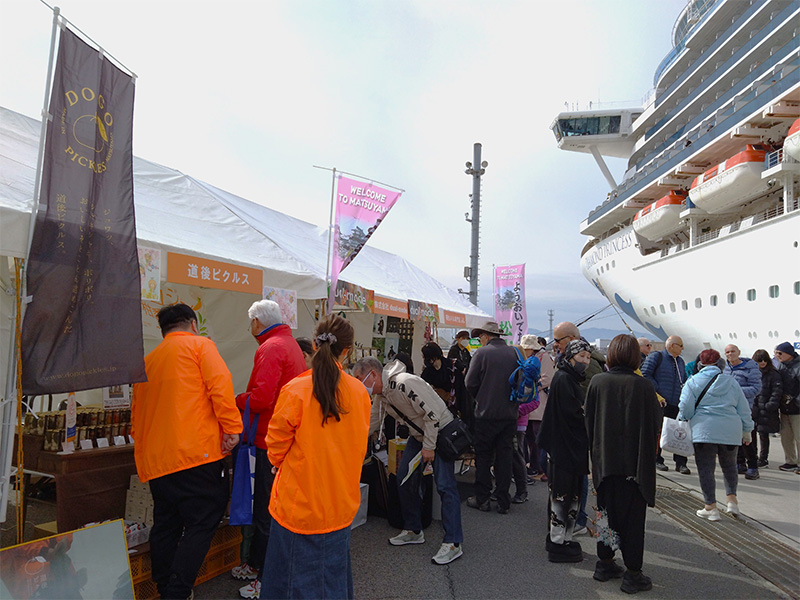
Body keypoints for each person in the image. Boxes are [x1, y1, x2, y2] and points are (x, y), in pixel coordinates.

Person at [131, 303, 241, 600]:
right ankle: (177, 592)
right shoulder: (201, 346)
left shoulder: (149, 361)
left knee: (166, 525)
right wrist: (232, 429)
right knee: (201, 524)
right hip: (197, 455)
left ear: (163, 331)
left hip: (158, 461)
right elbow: (220, 386)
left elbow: (136, 414)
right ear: (194, 324)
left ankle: (164, 587)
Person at [260, 315, 370, 600]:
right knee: (331, 581)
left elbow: (275, 444)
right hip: (340, 503)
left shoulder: (296, 390)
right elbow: (359, 445)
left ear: (313, 344)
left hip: (299, 505)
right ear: (347, 351)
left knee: (288, 583)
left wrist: (278, 464)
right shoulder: (359, 392)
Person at [355, 356, 464, 565]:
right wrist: (351, 440)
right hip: (419, 435)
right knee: (403, 477)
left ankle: (453, 542)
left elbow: (432, 414)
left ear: (373, 374)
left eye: (360, 378)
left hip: (439, 432)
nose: (359, 384)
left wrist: (429, 446)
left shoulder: (404, 382)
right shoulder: (383, 394)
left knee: (445, 486)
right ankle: (414, 529)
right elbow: (372, 421)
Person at [235, 300, 306, 599]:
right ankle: (256, 566)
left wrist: (237, 399)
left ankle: (264, 578)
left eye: (250, 322)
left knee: (266, 510)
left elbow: (262, 398)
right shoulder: (289, 344)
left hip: (269, 438)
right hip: (285, 436)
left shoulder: (271, 347)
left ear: (257, 322)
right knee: (270, 508)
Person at [585, 334, 660, 594]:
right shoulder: (643, 386)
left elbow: (589, 421)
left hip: (604, 463)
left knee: (606, 515)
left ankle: (604, 564)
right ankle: (633, 573)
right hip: (634, 466)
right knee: (633, 521)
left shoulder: (598, 381)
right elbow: (654, 424)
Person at [678, 349, 753, 521]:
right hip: (730, 430)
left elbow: (686, 408)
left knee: (706, 469)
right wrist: (747, 430)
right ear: (720, 364)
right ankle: (732, 501)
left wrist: (684, 419)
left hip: (704, 431)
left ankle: (710, 507)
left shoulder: (693, 381)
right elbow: (743, 409)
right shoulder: (731, 382)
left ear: (700, 364)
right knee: (730, 466)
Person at [537, 340, 591, 563]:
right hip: (565, 450)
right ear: (570, 357)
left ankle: (564, 537)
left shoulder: (567, 378)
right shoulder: (564, 379)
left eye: (588, 357)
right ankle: (558, 541)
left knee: (569, 496)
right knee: (562, 496)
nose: (585, 361)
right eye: (581, 356)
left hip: (568, 449)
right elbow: (572, 415)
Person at [465, 321, 519, 514]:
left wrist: (481, 396)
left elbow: (469, 382)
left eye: (480, 337)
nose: (480, 340)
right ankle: (503, 500)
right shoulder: (514, 353)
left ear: (486, 336)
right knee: (505, 457)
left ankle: (483, 498)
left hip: (486, 414)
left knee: (483, 456)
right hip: (509, 414)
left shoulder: (482, 353)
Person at [641, 335, 690, 474]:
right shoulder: (657, 357)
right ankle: (657, 459)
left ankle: (681, 463)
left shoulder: (680, 361)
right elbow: (645, 375)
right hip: (660, 402)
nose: (682, 348)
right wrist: (658, 390)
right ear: (672, 345)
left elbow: (683, 379)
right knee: (658, 432)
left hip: (676, 403)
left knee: (679, 432)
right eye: (680, 345)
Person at [723, 344, 762, 478]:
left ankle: (753, 466)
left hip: (745, 407)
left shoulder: (750, 368)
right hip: (729, 408)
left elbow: (756, 388)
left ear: (739, 352)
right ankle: (740, 463)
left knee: (747, 437)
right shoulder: (725, 369)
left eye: (733, 351)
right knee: (735, 437)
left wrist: (736, 391)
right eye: (727, 352)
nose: (730, 354)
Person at [524, 335, 555, 482]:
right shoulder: (533, 357)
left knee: (537, 437)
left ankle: (540, 466)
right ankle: (534, 465)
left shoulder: (544, 357)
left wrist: (530, 387)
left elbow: (547, 379)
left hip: (539, 402)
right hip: (530, 404)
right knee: (530, 437)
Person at [420, 341, 470, 425]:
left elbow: (462, 389)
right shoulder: (427, 371)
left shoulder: (454, 365)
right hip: (439, 409)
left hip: (458, 407)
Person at [751, 349, 782, 468]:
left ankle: (763, 458)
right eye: (760, 360)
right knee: (751, 433)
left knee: (763, 434)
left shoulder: (773, 374)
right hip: (754, 407)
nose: (763, 362)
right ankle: (753, 456)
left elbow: (777, 390)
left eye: (765, 360)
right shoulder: (753, 373)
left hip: (766, 408)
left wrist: (770, 405)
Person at [774, 342, 800, 473]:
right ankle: (791, 461)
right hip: (784, 408)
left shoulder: (798, 366)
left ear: (789, 353)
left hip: (797, 409)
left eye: (780, 353)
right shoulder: (780, 365)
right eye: (775, 353)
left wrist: (795, 401)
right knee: (786, 437)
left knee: (799, 437)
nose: (777, 356)